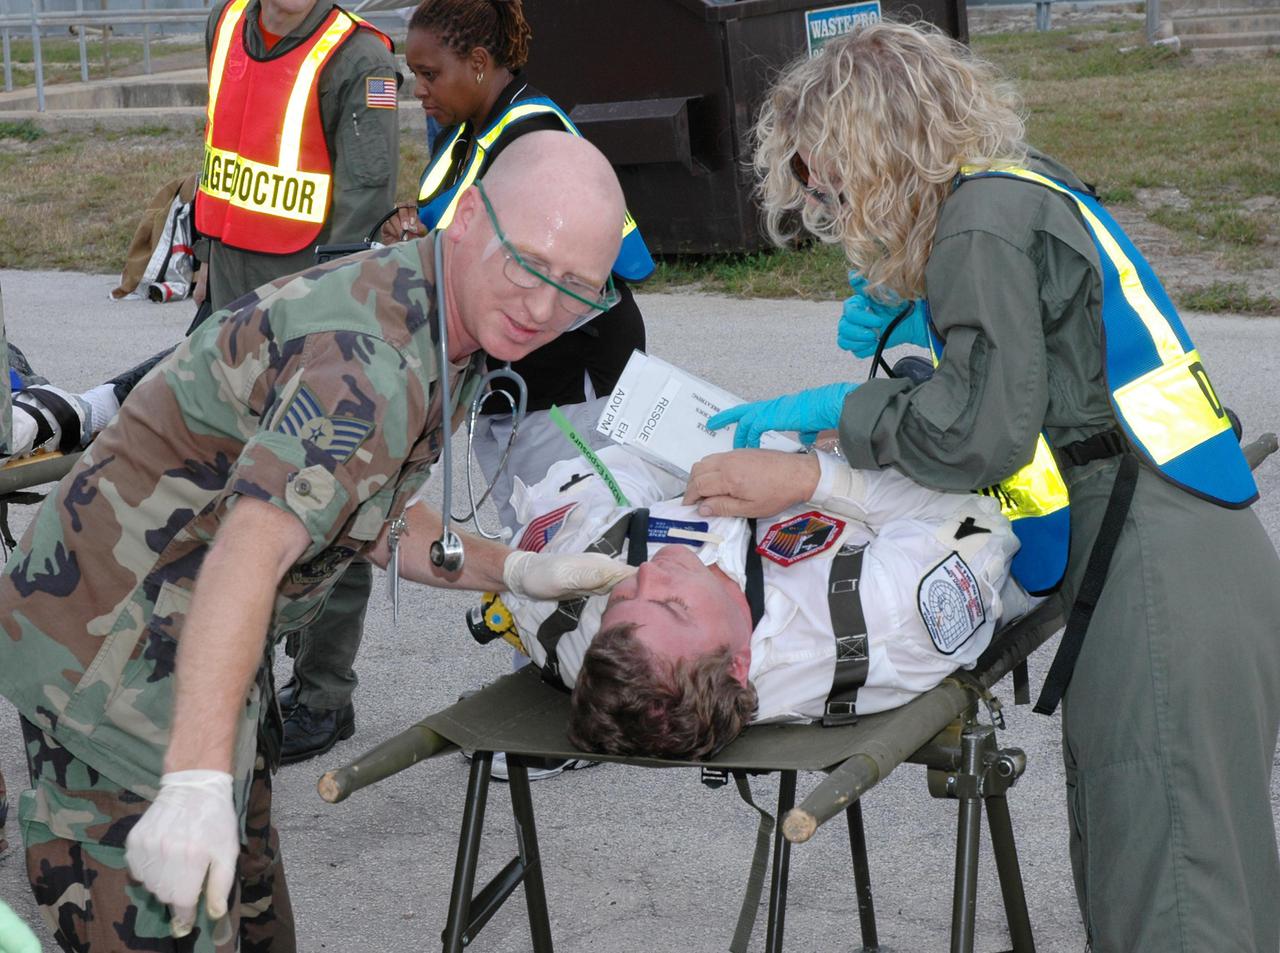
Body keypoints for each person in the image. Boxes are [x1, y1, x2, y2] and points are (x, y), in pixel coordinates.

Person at [697, 21, 1280, 953]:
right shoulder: (1015, 185)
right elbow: (1038, 393)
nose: (832, 210)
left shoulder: (979, 224)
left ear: (870, 148)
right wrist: (921, 300)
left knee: (1174, 898)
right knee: (1186, 863)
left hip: (1156, 571)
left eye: (830, 184)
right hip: (1183, 548)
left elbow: (980, 433)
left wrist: (825, 441)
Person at [0, 132, 637, 953]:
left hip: (198, 638)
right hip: (110, 659)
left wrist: (511, 569)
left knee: (257, 921)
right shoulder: (371, 358)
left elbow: (359, 504)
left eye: (577, 292)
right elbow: (250, 550)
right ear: (470, 216)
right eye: (532, 266)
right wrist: (193, 779)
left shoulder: (451, 308)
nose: (545, 307)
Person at [381, 0, 656, 777]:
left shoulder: (534, 136)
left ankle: (593, 713)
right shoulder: (472, 132)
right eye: (412, 75)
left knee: (577, 540)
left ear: (478, 63)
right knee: (533, 541)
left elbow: (604, 267)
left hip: (569, 385)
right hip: (515, 385)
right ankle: (555, 669)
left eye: (429, 74)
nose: (418, 90)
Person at [492, 443, 1032, 759]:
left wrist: (701, 458)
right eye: (673, 606)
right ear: (739, 664)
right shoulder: (883, 615)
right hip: (909, 460)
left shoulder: (581, 638)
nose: (649, 575)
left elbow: (604, 469)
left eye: (623, 596)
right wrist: (815, 475)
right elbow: (977, 521)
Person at [190, 0, 403, 764]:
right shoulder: (227, 22)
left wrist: (331, 341)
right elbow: (221, 153)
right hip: (228, 313)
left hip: (309, 325)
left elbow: (361, 214)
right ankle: (245, 678)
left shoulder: (362, 62)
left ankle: (322, 694)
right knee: (229, 503)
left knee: (324, 510)